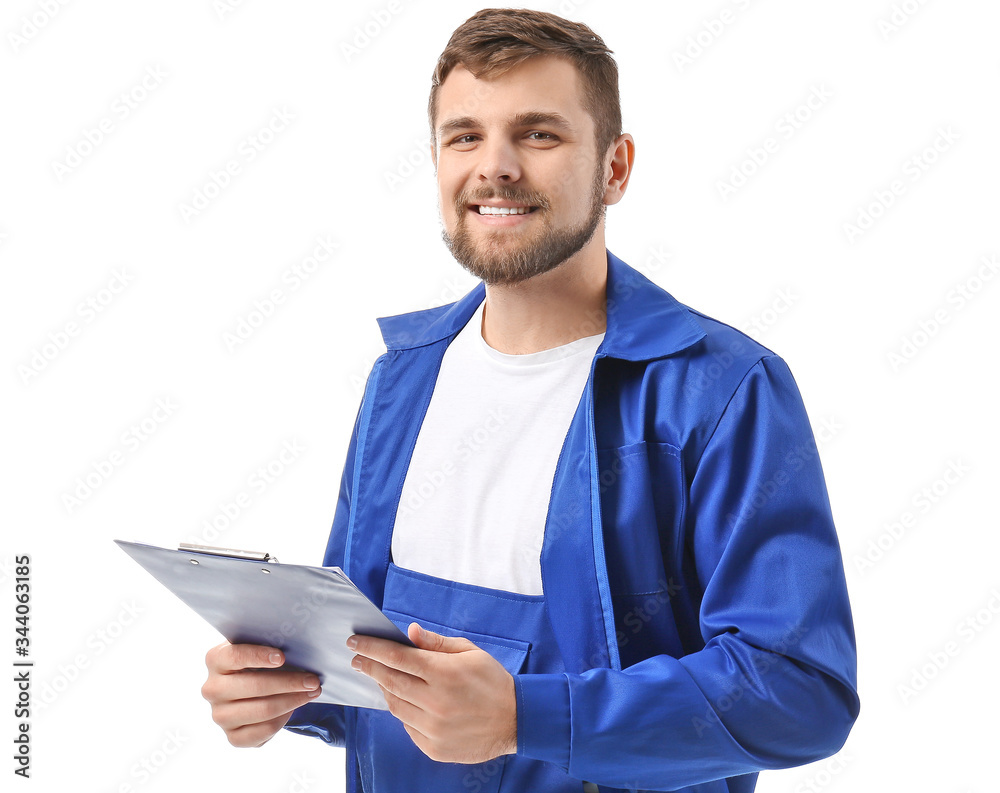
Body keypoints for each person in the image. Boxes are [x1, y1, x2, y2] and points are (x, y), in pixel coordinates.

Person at [200, 8, 860, 793]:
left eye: (539, 134)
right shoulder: (401, 380)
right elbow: (372, 659)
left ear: (614, 169)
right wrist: (288, 688)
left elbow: (800, 692)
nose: (495, 167)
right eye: (464, 136)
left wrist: (526, 715)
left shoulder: (718, 391)